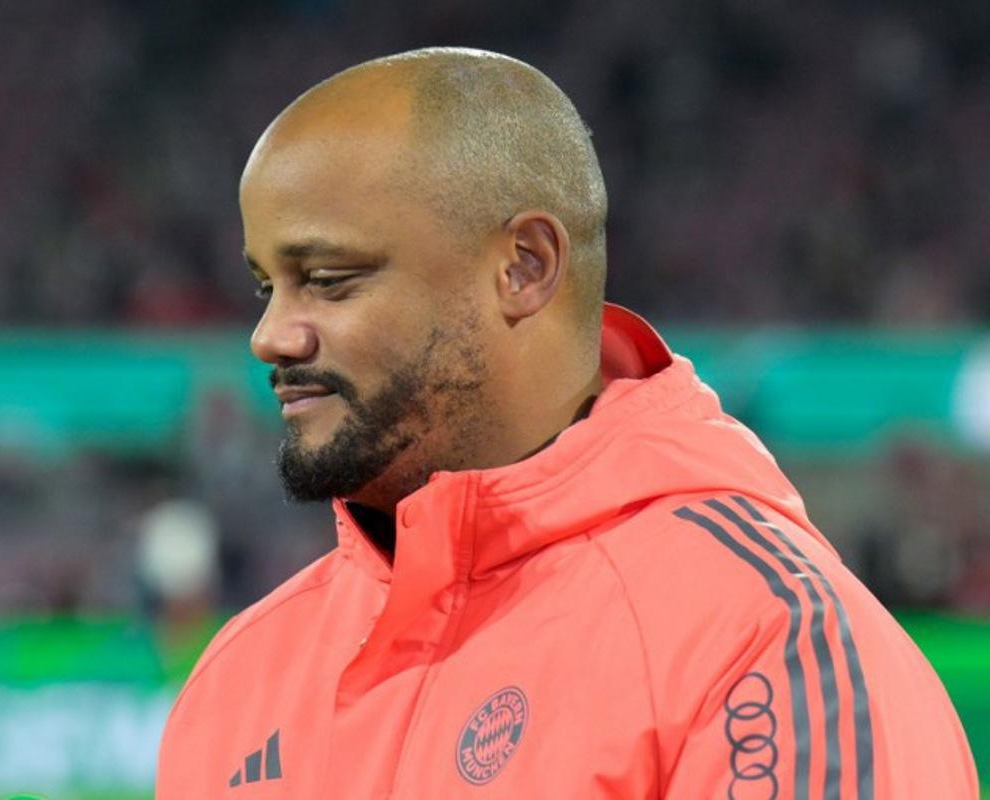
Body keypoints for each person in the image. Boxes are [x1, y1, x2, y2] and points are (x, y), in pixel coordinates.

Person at [157, 48, 978, 798]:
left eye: (329, 279)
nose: (270, 335)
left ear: (525, 267)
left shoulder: (768, 644)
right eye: (269, 287)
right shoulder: (239, 679)